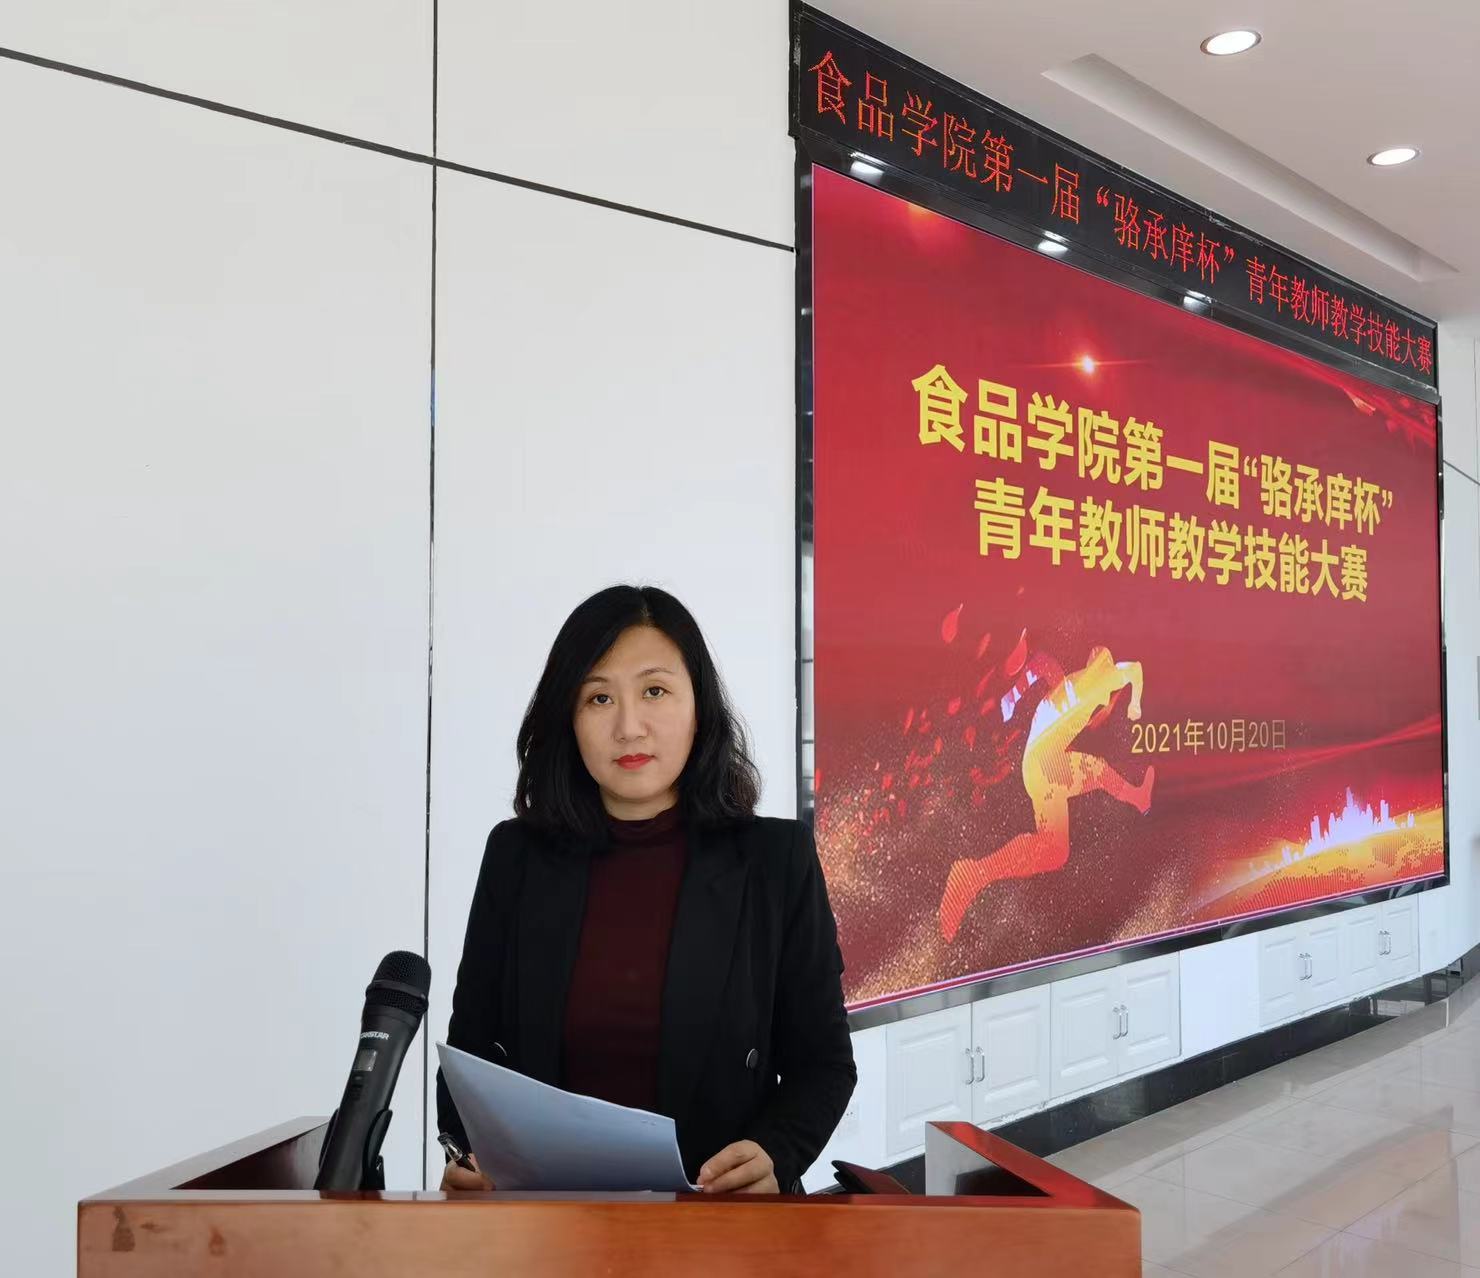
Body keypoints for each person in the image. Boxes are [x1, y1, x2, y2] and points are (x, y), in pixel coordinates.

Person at [437, 584, 856, 1195]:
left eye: (654, 691)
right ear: (569, 719)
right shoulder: (515, 857)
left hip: (717, 1218)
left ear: (698, 705)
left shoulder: (775, 861)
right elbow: (469, 1058)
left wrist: (776, 1153)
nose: (628, 727)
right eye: (598, 698)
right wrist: (469, 1153)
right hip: (549, 1220)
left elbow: (824, 1064)